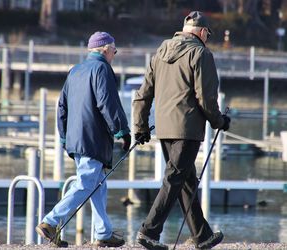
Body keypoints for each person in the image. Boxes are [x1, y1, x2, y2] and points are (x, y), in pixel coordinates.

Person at [133, 11, 231, 250]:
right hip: (187, 129)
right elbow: (206, 98)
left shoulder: (160, 52)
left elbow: (142, 95)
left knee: (186, 181)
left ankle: (202, 235)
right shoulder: (201, 53)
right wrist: (220, 121)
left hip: (165, 128)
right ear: (202, 32)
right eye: (208, 34)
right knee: (175, 179)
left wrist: (140, 126)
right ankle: (149, 232)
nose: (207, 38)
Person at [35, 31, 131, 248]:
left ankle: (102, 233)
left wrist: (63, 136)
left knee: (98, 184)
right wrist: (122, 131)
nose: (114, 55)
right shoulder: (102, 68)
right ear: (106, 49)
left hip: (75, 139)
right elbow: (107, 102)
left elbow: (62, 106)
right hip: (93, 138)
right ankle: (50, 222)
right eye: (114, 51)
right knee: (86, 183)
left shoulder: (75, 70)